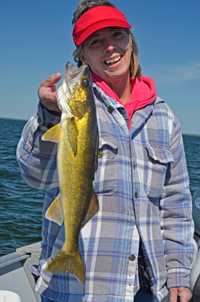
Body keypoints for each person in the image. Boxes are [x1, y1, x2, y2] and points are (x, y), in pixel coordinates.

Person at [17, 1, 197, 301]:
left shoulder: (165, 119)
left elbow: (177, 204)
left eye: (117, 35)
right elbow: (36, 176)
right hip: (79, 290)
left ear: (131, 41)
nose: (110, 47)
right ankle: (68, 254)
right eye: (96, 41)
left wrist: (179, 273)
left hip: (146, 289)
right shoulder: (68, 110)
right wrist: (48, 113)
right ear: (82, 56)